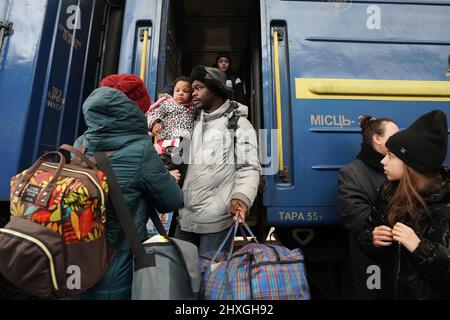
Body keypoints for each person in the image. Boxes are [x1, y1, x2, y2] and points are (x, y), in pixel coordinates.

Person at [72, 74, 183, 299]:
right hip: (114, 272)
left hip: (74, 266)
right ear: (134, 109)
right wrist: (167, 178)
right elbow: (173, 201)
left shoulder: (80, 144)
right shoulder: (140, 148)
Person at [359, 110, 450, 300]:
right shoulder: (388, 192)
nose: (383, 160)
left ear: (410, 164)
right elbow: (368, 242)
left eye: (391, 156)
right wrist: (373, 239)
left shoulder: (444, 203)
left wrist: (419, 247)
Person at [175, 65, 260, 255]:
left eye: (198, 88)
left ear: (215, 89)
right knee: (181, 278)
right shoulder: (194, 123)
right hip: (185, 219)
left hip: (216, 223)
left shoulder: (239, 124)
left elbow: (248, 168)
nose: (192, 93)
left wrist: (241, 198)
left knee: (210, 281)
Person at [338, 115, 399, 299]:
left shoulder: (402, 168)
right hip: (371, 259)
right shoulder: (352, 173)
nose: (400, 139)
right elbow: (355, 217)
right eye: (394, 135)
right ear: (377, 138)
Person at [146, 76, 194, 184]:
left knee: (182, 172)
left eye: (185, 91)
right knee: (166, 166)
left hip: (185, 146)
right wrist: (155, 123)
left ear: (191, 94)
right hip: (168, 142)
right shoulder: (167, 103)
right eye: (177, 90)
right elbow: (154, 113)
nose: (180, 93)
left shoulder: (192, 109)